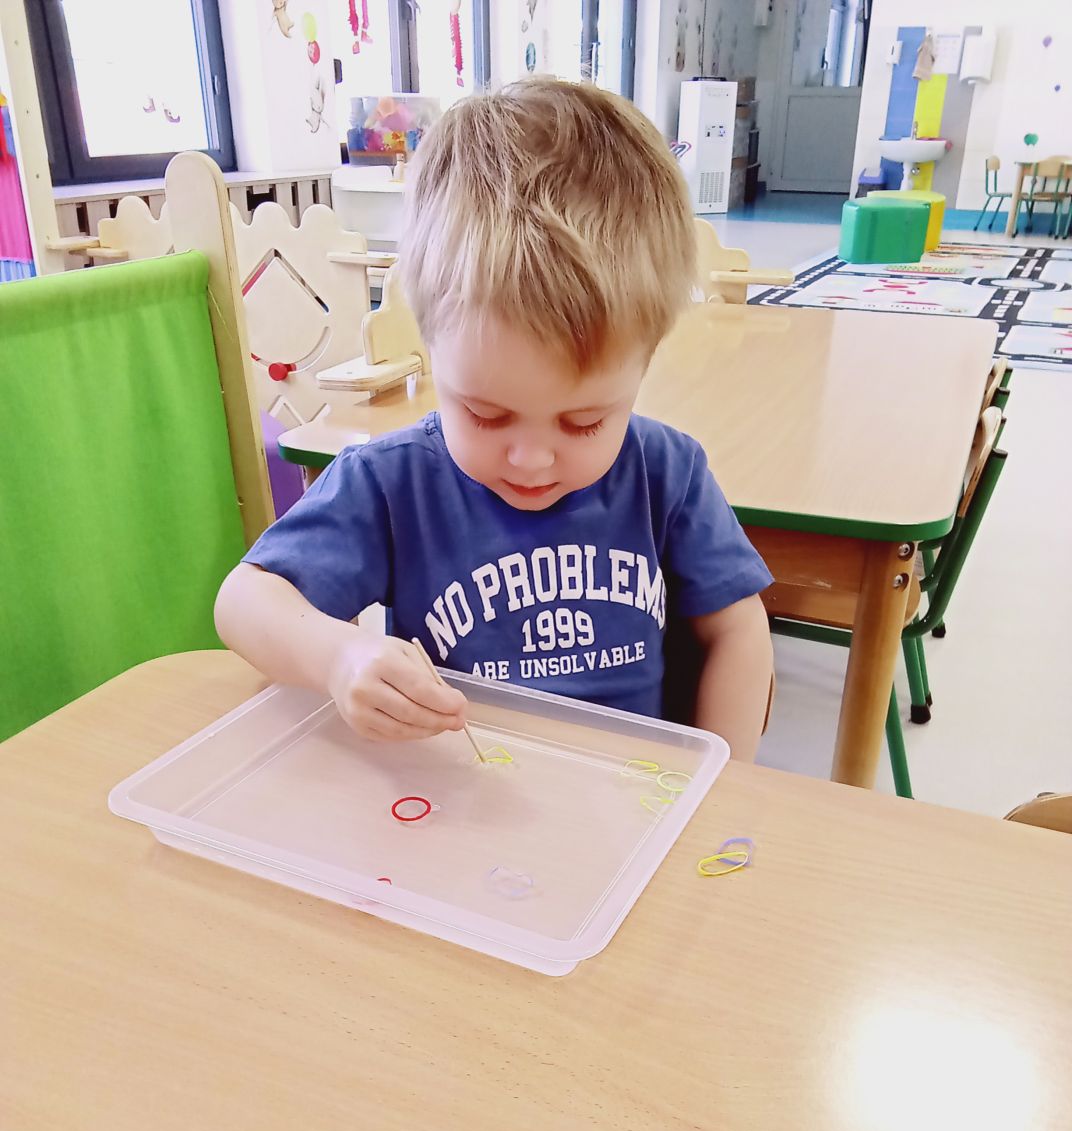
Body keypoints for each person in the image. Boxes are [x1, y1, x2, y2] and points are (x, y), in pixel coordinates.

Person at [215, 79, 774, 759]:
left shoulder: (667, 474)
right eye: (485, 414)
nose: (531, 459)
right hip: (454, 799)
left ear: (642, 369)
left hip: (629, 799)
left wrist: (722, 787)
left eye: (584, 422)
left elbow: (738, 630)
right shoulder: (392, 485)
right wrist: (340, 656)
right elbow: (243, 602)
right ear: (433, 352)